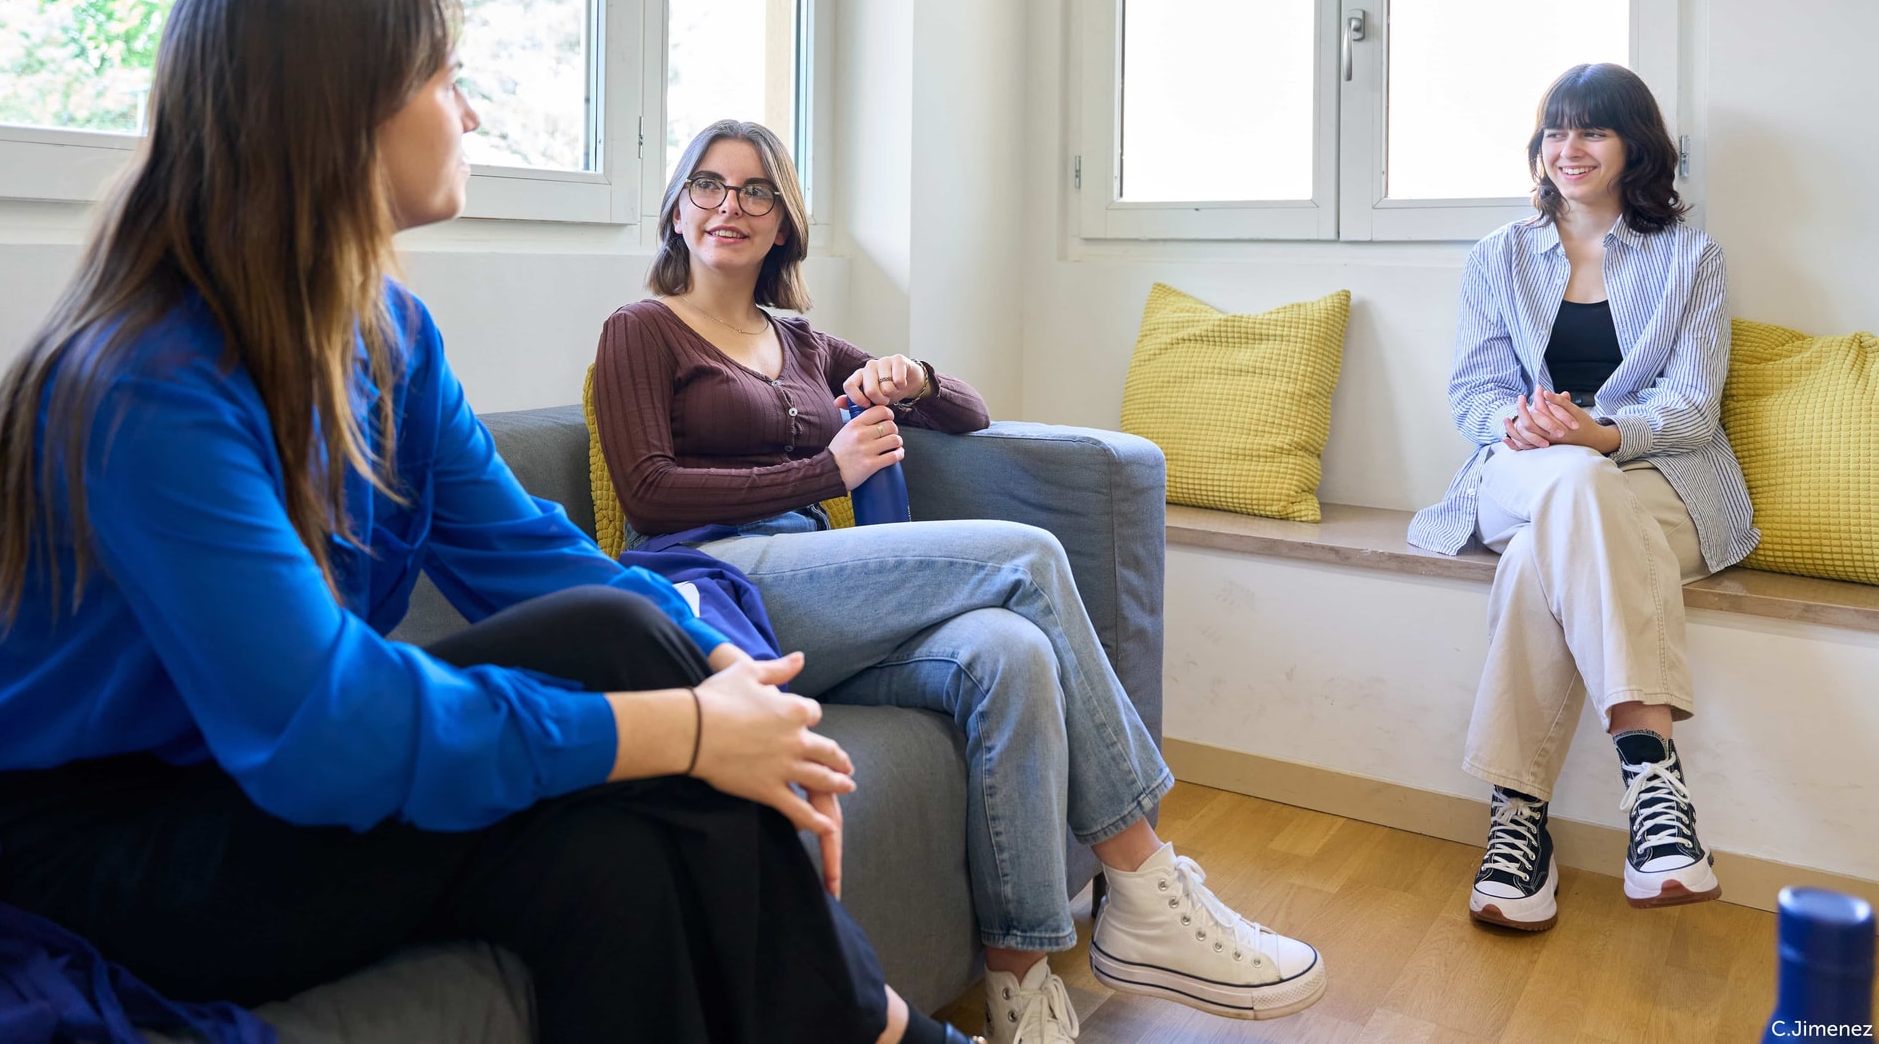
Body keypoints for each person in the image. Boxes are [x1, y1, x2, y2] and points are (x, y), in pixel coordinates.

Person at [0, 0, 981, 1044]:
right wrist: (687, 730)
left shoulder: (388, 336)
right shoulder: (147, 381)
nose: (474, 115)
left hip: (229, 789)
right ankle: (879, 1024)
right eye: (448, 80)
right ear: (342, 110)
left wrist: (735, 685)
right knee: (613, 649)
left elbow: (529, 553)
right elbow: (324, 729)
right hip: (94, 842)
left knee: (616, 852)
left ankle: (868, 1019)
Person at [591, 119, 1328, 1042]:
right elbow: (649, 494)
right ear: (675, 209)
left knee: (1011, 652)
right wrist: (830, 472)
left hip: (822, 592)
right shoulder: (643, 330)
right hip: (717, 577)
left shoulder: (807, 344)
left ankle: (1020, 988)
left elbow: (967, 413)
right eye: (707, 185)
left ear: (784, 224)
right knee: (1025, 556)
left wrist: (916, 373)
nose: (728, 207)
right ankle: (1145, 877)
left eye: (755, 191)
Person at [1409, 63, 1758, 932]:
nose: (1570, 148)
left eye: (1593, 131)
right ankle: (1654, 783)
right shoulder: (1500, 255)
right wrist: (1528, 425)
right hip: (1524, 470)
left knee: (1542, 551)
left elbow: (1689, 405)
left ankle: (1518, 822)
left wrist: (1598, 434)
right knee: (1567, 484)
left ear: (1635, 145)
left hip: (1659, 479)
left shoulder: (1693, 259)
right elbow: (1474, 393)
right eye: (1556, 131)